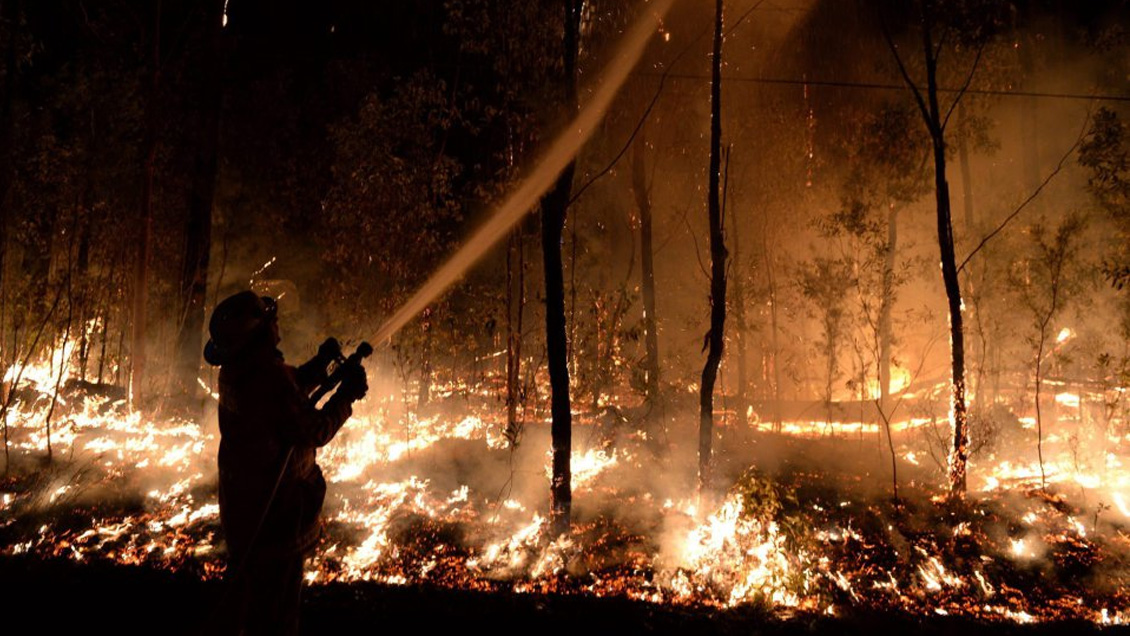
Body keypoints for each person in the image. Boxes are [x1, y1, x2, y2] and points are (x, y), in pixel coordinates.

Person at [203, 290, 367, 635]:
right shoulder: (267, 378)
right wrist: (347, 396)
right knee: (276, 617)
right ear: (259, 333)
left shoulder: (239, 370)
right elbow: (314, 430)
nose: (278, 325)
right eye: (271, 320)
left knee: (250, 604)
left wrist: (321, 365)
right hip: (275, 518)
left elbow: (284, 395)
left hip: (244, 512)